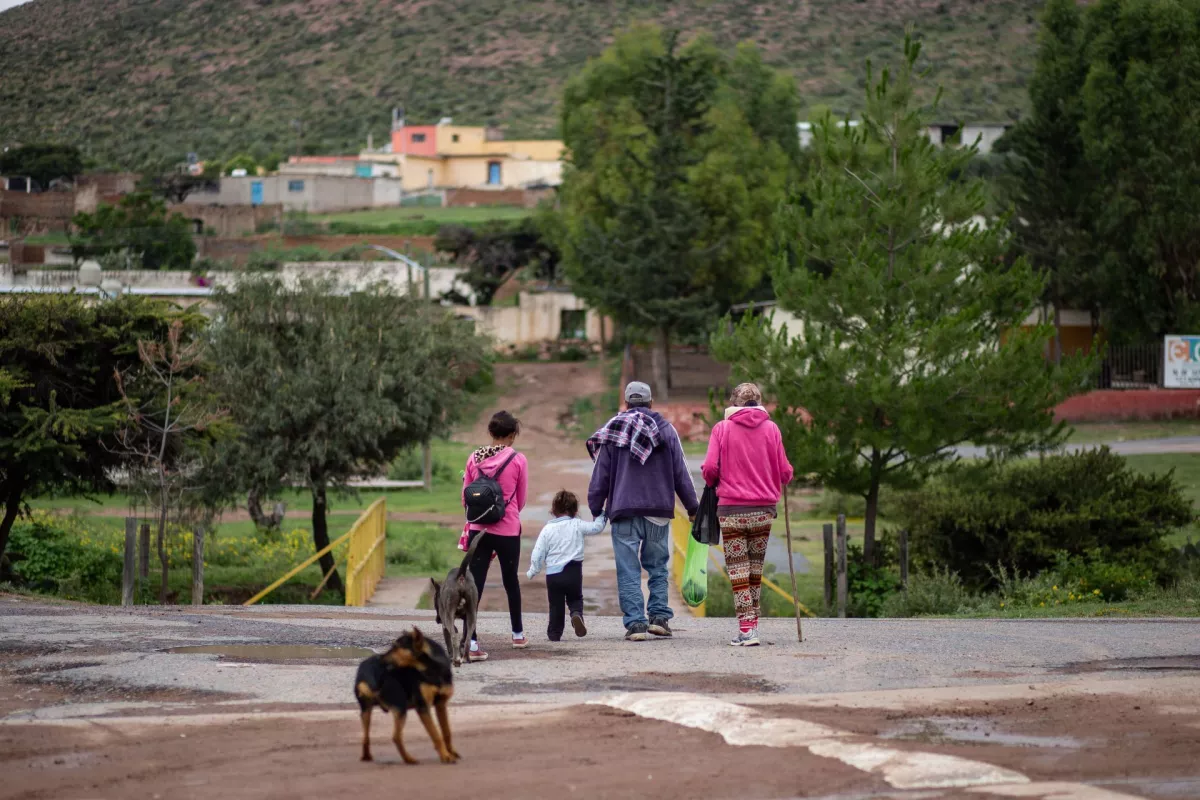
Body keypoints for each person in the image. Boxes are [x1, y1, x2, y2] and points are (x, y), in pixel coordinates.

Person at [587, 381, 699, 642]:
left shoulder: (613, 430)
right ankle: (659, 619)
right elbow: (681, 471)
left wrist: (596, 507)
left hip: (623, 510)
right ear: (651, 403)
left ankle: (636, 625)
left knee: (628, 570)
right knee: (658, 567)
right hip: (658, 510)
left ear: (626, 403)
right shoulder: (666, 430)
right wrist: (692, 507)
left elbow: (600, 474)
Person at [700, 383, 794, 647]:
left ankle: (747, 630)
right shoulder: (772, 429)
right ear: (760, 402)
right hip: (764, 511)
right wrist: (781, 475)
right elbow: (785, 472)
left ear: (734, 403)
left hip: (732, 511)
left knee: (738, 571)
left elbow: (709, 467)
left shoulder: (722, 428)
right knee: (754, 570)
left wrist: (713, 480)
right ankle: (752, 625)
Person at [462, 410, 528, 661]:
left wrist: (481, 517)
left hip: (478, 530)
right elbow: (521, 500)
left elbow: (465, 498)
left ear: (491, 433)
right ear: (512, 435)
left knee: (474, 585)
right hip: (508, 529)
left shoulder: (473, 458)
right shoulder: (519, 460)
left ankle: (473, 643)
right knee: (511, 581)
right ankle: (518, 634)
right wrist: (505, 513)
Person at [525, 490, 606, 641]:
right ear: (575, 511)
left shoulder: (547, 529)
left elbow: (538, 553)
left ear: (553, 510)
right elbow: (596, 528)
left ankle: (554, 633)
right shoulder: (577, 524)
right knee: (575, 598)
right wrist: (602, 515)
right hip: (573, 571)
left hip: (553, 575)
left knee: (556, 605)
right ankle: (576, 614)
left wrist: (533, 571)